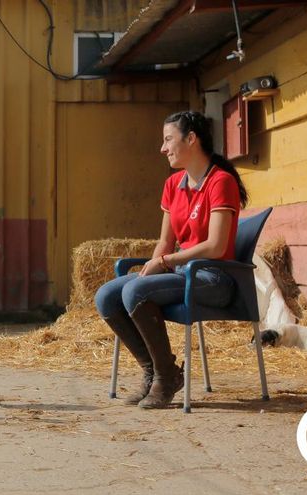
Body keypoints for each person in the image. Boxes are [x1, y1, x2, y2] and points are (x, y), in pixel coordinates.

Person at [94, 111, 249, 409]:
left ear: (191, 139)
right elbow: (165, 242)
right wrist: (154, 267)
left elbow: (216, 247)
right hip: (182, 274)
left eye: (168, 140)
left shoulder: (221, 182)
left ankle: (165, 378)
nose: (163, 148)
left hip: (213, 278)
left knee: (134, 291)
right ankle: (156, 371)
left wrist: (163, 263)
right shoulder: (173, 184)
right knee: (107, 296)